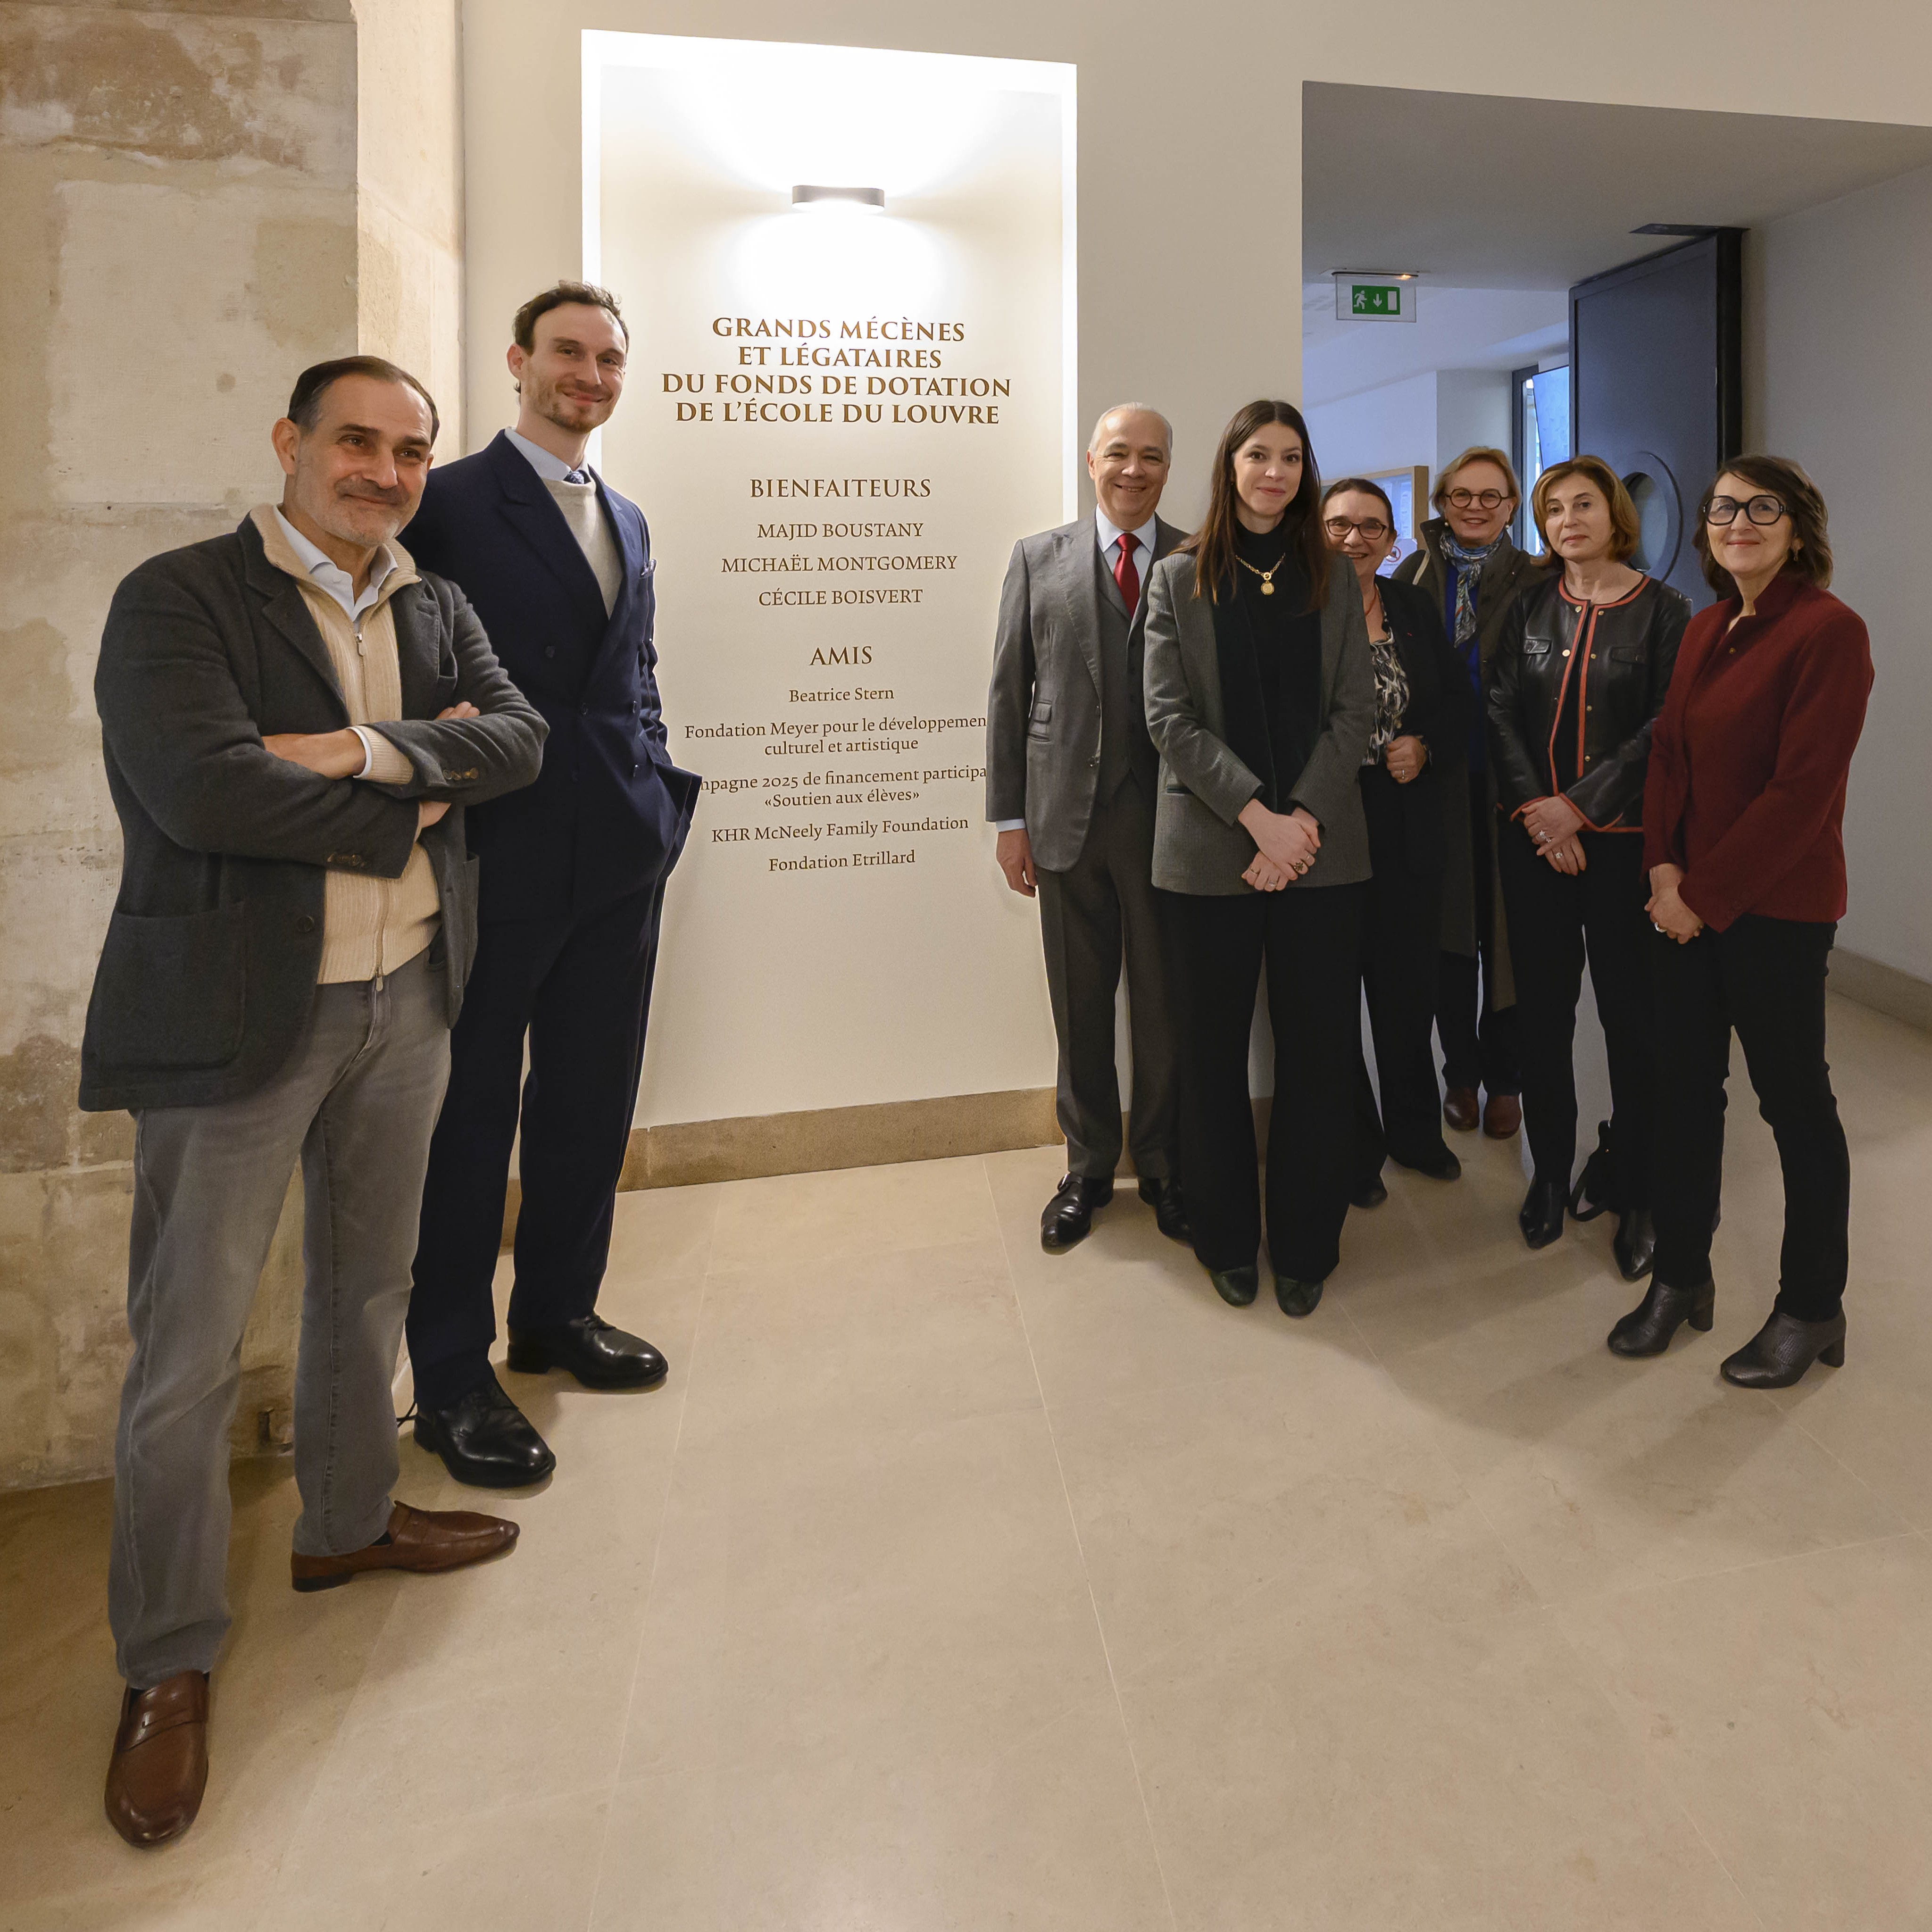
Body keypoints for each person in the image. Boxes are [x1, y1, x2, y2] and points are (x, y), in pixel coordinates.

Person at [81, 358, 547, 1847]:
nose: (386, 471)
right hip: (235, 1017)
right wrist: (415, 789)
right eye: (357, 441)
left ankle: (347, 1527)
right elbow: (201, 793)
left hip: (409, 993)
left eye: (409, 449)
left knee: (370, 1290)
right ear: (290, 443)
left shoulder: (434, 599)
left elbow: (517, 742)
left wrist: (353, 752)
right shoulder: (177, 599)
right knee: (188, 1352)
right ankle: (166, 1662)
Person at [404, 281, 701, 1488]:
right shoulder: (451, 501)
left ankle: (558, 1315)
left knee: (590, 1100)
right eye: (568, 353)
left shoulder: (623, 512)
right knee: (470, 1115)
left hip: (619, 855)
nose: (590, 374)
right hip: (498, 850)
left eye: (609, 358)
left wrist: (656, 787)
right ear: (519, 361)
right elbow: (405, 658)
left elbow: (629, 667)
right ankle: (451, 1375)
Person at [1614, 458, 1872, 1385]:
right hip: (1682, 900)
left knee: (1792, 1105)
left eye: (1761, 508)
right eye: (1724, 508)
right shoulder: (1705, 626)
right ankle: (1680, 1278)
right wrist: (1660, 868)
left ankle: (1811, 1305)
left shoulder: (1826, 632)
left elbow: (1799, 793)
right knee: (1681, 1093)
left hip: (1775, 911)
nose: (1739, 522)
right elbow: (1667, 761)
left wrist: (1701, 895)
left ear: (1795, 527)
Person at [1142, 400, 1374, 1317]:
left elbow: (1353, 713)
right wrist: (1255, 818)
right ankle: (1226, 1237)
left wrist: (1297, 819)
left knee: (1318, 1056)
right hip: (1209, 855)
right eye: (1256, 455)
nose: (1273, 470)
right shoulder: (1177, 578)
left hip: (1321, 854)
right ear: (1228, 465)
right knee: (1208, 1056)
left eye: (1289, 457)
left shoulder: (1332, 575)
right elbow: (1167, 718)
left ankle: (1307, 1243)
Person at [987, 405, 1191, 1251]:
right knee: (1080, 1006)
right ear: (1091, 460)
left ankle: (1165, 1165)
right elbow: (1008, 691)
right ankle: (1088, 1166)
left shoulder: (1195, 558)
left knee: (1164, 1008)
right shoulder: (1038, 559)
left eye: (1151, 457)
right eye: (1119, 454)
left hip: (1175, 827)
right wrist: (1009, 819)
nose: (1133, 470)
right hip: (1063, 821)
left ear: (1169, 467)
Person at [1488, 456, 1689, 1276]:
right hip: (1538, 846)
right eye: (1554, 508)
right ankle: (1547, 1175)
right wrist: (1543, 812)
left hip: (1624, 850)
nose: (1569, 519)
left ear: (1616, 517)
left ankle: (1637, 1188)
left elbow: (1668, 726)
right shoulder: (1527, 602)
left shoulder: (1665, 609)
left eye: (1585, 505)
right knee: (1542, 1021)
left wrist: (1583, 806)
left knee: (1632, 1026)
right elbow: (1498, 705)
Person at [1319, 479, 1469, 1205]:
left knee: (1407, 996)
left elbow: (1456, 707)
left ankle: (1415, 1133)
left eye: (1372, 528)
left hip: (1407, 826)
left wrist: (1426, 745)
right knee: (1331, 997)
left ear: (1392, 541)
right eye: (1340, 525)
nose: (1355, 539)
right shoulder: (1296, 608)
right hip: (1325, 827)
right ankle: (1352, 1147)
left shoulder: (1409, 606)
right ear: (1315, 530)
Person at [1392, 448, 1541, 1140]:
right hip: (1437, 782)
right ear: (1442, 503)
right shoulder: (1415, 576)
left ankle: (1509, 1078)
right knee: (1449, 940)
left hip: (1516, 785)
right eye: (1461, 496)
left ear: (1513, 506)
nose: (1476, 507)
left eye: (1492, 496)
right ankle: (1460, 1074)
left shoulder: (1541, 580)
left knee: (1510, 938)